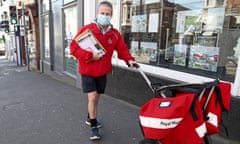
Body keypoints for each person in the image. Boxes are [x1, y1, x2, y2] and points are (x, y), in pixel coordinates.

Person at [70, 1, 136, 141]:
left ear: (111, 15)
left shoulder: (115, 34)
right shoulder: (87, 30)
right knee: (92, 96)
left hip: (102, 71)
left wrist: (129, 60)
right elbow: (73, 48)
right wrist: (89, 55)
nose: (105, 16)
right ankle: (94, 127)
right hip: (87, 70)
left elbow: (122, 49)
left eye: (108, 14)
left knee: (96, 97)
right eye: (102, 13)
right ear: (97, 14)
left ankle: (90, 116)